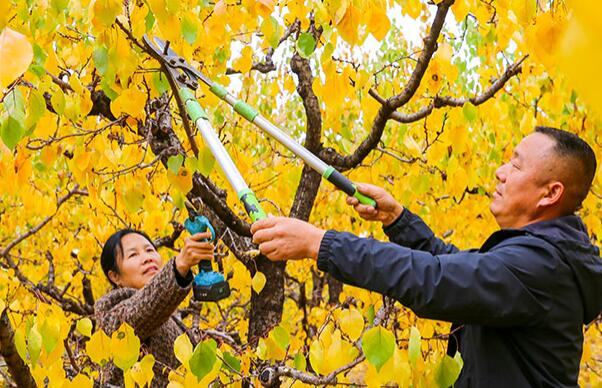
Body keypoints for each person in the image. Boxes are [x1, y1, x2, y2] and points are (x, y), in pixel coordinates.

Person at [251, 127, 602, 387]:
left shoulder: (541, 266)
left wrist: (319, 243)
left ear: (550, 193)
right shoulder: (543, 256)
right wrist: (397, 219)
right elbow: (453, 266)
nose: (501, 171)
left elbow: (434, 280)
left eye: (517, 166)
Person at [95, 228, 213, 387]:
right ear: (115, 276)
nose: (147, 258)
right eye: (133, 255)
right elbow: (135, 314)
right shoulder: (109, 312)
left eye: (150, 250)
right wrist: (179, 267)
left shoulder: (170, 317)